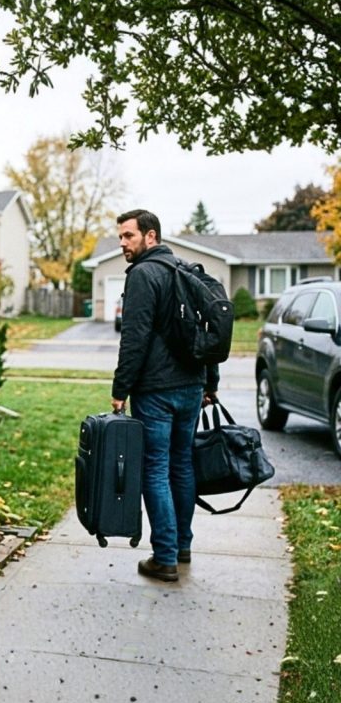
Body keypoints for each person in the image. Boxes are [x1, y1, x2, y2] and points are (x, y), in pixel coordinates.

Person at [111, 209, 218, 582]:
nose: (122, 243)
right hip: (191, 387)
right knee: (181, 465)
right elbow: (208, 333)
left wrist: (120, 388)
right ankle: (182, 545)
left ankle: (165, 557)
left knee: (155, 469)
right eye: (120, 237)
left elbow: (134, 337)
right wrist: (210, 382)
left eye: (128, 236)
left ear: (150, 237)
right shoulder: (185, 270)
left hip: (156, 391)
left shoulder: (143, 275)